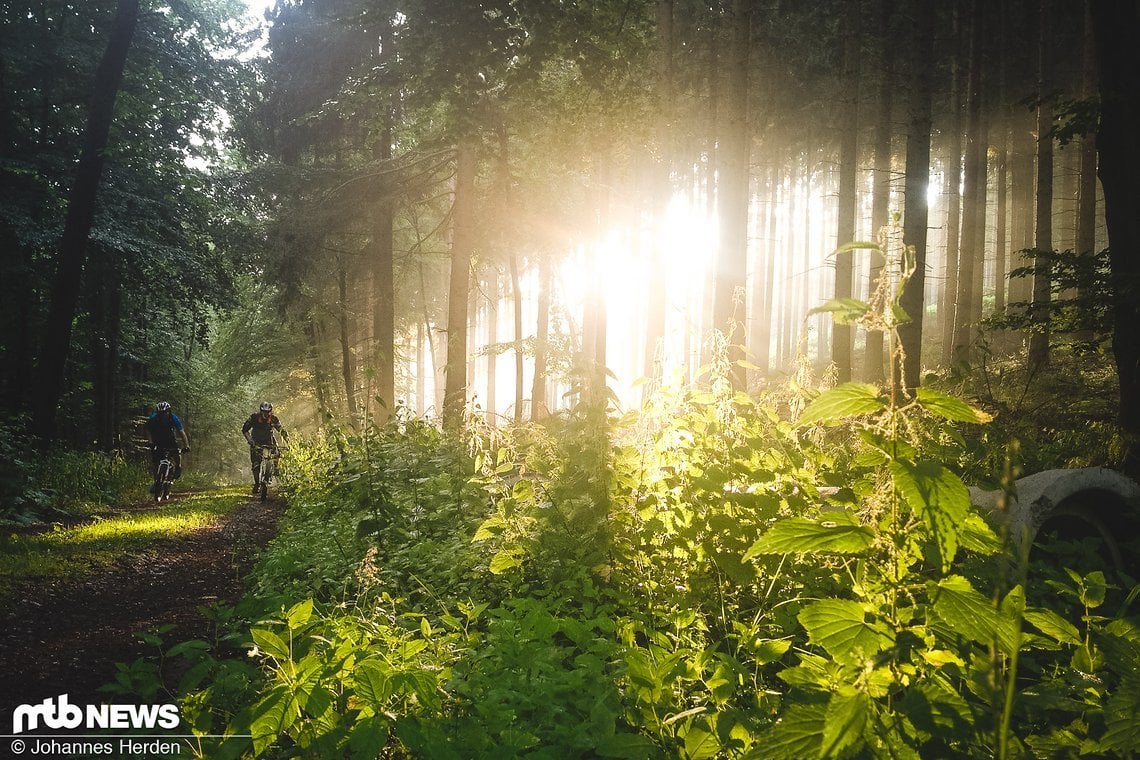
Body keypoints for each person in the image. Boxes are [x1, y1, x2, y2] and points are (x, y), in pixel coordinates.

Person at [243, 401, 288, 494]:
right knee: (256, 464)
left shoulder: (274, 419)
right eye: (264, 412)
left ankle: (275, 469)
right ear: (261, 411)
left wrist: (289, 441)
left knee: (277, 453)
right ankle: (257, 484)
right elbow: (244, 430)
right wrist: (250, 440)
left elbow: (281, 430)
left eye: (268, 412)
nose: (266, 414)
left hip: (269, 441)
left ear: (270, 412)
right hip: (256, 442)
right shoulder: (254, 417)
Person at [144, 401, 190, 491]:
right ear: (158, 413)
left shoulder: (173, 418)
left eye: (165, 413)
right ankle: (157, 482)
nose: (163, 415)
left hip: (170, 439)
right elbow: (147, 430)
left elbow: (181, 432)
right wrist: (150, 442)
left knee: (176, 451)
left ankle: (178, 466)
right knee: (156, 462)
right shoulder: (153, 418)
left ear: (169, 412)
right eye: (161, 413)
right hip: (157, 440)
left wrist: (186, 445)